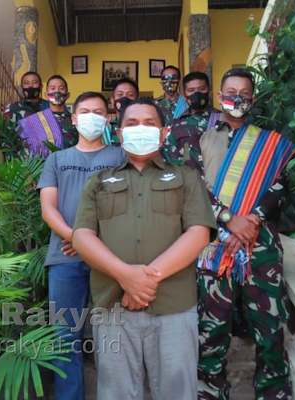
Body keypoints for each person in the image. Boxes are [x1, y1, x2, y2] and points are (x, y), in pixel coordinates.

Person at [72, 98, 218, 400]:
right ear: (119, 133)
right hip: (113, 307)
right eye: (132, 123)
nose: (140, 129)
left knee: (178, 393)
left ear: (164, 133)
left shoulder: (186, 177)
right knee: (115, 393)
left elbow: (198, 233)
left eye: (149, 123)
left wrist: (143, 281)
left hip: (173, 306)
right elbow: (82, 236)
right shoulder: (99, 181)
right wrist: (125, 276)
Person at [197, 68, 295, 400]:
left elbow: (280, 185)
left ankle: (272, 392)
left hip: (260, 242)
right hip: (215, 244)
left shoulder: (270, 143)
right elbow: (193, 185)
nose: (236, 98)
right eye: (230, 92)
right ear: (219, 96)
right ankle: (210, 392)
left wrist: (252, 219)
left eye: (243, 94)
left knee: (269, 328)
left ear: (252, 100)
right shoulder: (202, 138)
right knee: (211, 330)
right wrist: (228, 219)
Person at [36, 91, 126, 400]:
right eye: (85, 111)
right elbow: (48, 208)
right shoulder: (57, 160)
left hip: (110, 259)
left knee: (114, 338)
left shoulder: (120, 157)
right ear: (74, 119)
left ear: (108, 119)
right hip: (64, 259)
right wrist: (78, 239)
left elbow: (128, 205)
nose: (91, 117)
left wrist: (91, 243)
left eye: (98, 112)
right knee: (65, 338)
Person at [162, 71, 222, 174]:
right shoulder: (175, 125)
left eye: (201, 89)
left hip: (217, 181)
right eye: (191, 90)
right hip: (189, 182)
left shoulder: (223, 120)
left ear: (209, 91)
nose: (196, 93)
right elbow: (170, 163)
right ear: (184, 96)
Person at [17, 75, 79, 158]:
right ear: (46, 94)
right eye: (53, 88)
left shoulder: (76, 121)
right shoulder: (33, 121)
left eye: (61, 88)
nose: (57, 91)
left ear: (67, 95)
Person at [102, 78, 139, 146]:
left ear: (137, 101)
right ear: (112, 100)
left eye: (130, 95)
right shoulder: (106, 130)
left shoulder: (143, 128)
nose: (124, 98)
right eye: (120, 94)